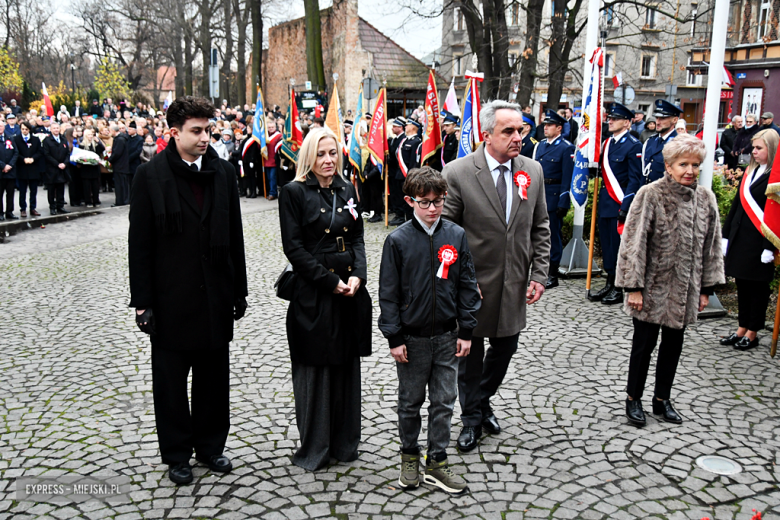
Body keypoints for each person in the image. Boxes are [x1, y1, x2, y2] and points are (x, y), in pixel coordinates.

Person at [128, 96, 248, 486]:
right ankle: (177, 454)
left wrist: (238, 290)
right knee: (171, 385)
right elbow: (140, 245)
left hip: (214, 295)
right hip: (171, 299)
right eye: (195, 131)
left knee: (214, 381)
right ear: (173, 133)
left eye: (207, 130)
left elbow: (234, 236)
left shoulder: (223, 173)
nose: (203, 138)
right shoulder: (150, 176)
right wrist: (143, 302)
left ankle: (211, 447)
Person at [442, 100, 551, 452]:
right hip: (472, 284)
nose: (517, 137)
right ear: (487, 136)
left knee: (506, 347)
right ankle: (472, 418)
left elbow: (541, 226)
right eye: (509, 131)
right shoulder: (458, 172)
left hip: (514, 281)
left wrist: (539, 273)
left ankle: (481, 400)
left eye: (521, 130)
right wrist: (459, 279)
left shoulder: (532, 170)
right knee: (469, 355)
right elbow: (447, 231)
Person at [379, 166, 480, 494]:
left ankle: (437, 460)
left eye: (438, 201)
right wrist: (394, 336)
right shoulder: (397, 241)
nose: (433, 208)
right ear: (410, 201)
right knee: (410, 401)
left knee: (445, 400)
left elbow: (467, 284)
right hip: (412, 339)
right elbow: (388, 293)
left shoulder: (456, 235)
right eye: (425, 202)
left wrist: (466, 330)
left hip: (448, 336)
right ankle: (409, 458)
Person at [278, 127, 372, 471]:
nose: (328, 160)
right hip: (314, 293)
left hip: (350, 291)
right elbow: (294, 249)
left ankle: (346, 444)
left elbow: (358, 236)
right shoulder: (294, 192)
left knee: (347, 367)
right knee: (315, 370)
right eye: (320, 154)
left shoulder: (348, 188)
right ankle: (315, 448)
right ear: (308, 156)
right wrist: (330, 282)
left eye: (333, 152)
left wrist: (358, 275)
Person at [617, 133, 725, 426]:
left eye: (694, 165)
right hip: (651, 288)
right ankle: (633, 398)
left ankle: (662, 399)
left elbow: (711, 247)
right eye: (682, 164)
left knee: (673, 346)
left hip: (685, 290)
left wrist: (706, 289)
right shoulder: (650, 194)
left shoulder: (705, 198)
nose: (689, 171)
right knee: (643, 346)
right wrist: (633, 286)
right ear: (668, 165)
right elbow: (633, 243)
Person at [720, 128, 780, 351]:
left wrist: (768, 246)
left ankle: (753, 332)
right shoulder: (749, 171)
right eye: (753, 147)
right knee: (743, 285)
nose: (753, 151)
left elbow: (775, 216)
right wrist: (726, 236)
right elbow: (737, 205)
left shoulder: (776, 177)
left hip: (759, 242)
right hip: (740, 238)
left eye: (758, 148)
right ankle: (741, 328)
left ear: (771, 149)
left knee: (758, 290)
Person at [588, 102, 642, 305]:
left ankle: (620, 286)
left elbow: (635, 180)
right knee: (608, 247)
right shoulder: (606, 143)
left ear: (627, 122)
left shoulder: (634, 145)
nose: (610, 121)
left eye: (615, 119)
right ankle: (610, 282)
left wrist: (626, 207)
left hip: (620, 204)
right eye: (609, 118)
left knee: (620, 247)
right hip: (605, 203)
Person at [533, 109, 574, 289]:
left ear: (559, 128)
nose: (545, 128)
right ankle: (538, 272)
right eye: (545, 124)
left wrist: (563, 200)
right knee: (536, 235)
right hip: (539, 194)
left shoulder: (566, 147)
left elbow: (567, 177)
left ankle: (552, 272)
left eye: (549, 125)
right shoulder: (540, 145)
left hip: (554, 195)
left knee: (551, 236)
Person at [641, 99, 683, 185]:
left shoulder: (679, 143)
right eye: (657, 118)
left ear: (675, 120)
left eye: (663, 118)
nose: (658, 122)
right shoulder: (650, 141)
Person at [389, 119, 422, 226]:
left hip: (407, 175)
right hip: (399, 175)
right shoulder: (405, 141)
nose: (406, 127)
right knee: (400, 198)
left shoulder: (417, 142)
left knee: (408, 201)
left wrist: (410, 176)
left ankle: (409, 220)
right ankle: (401, 217)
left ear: (413, 127)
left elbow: (413, 161)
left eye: (407, 125)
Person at [41, 121, 70, 215]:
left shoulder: (63, 139)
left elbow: (67, 153)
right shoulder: (47, 140)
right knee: (51, 190)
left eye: (57, 128)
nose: (56, 130)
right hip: (52, 169)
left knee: (61, 189)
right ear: (50, 129)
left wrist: (65, 163)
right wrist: (57, 164)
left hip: (62, 169)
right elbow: (46, 154)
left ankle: (60, 206)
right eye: (54, 128)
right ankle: (52, 207)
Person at [14, 121, 43, 217]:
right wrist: (23, 159)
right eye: (22, 129)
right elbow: (15, 152)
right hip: (22, 168)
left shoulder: (35, 139)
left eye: (26, 129)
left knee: (33, 190)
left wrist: (33, 159)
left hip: (33, 168)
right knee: (22, 190)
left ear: (29, 129)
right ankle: (23, 208)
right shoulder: (16, 139)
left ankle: (33, 208)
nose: (24, 131)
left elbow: (39, 152)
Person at [80, 128, 104, 207]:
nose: (90, 136)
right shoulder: (82, 145)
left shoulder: (95, 145)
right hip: (86, 169)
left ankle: (96, 200)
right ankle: (88, 201)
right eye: (89, 135)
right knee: (86, 186)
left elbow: (102, 150)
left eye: (91, 135)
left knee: (95, 186)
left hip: (94, 168)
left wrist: (98, 142)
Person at [108, 123, 130, 206]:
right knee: (122, 184)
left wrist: (110, 159)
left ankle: (121, 201)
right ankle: (122, 200)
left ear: (113, 131)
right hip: (122, 165)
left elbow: (117, 153)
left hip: (120, 165)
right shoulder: (121, 138)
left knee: (120, 184)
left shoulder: (120, 139)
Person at [0, 121, 18, 220]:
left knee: (10, 193)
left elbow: (16, 152)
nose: (0, 128)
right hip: (1, 171)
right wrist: (3, 166)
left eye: (1, 126)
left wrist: (10, 165)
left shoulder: (10, 137)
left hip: (10, 171)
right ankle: (0, 213)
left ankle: (9, 212)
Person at [265, 118, 282, 200]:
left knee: (272, 177)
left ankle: (273, 193)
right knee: (268, 177)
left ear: (275, 127)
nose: (271, 128)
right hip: (266, 160)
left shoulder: (278, 136)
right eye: (269, 127)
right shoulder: (265, 136)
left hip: (274, 161)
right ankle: (270, 191)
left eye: (272, 127)